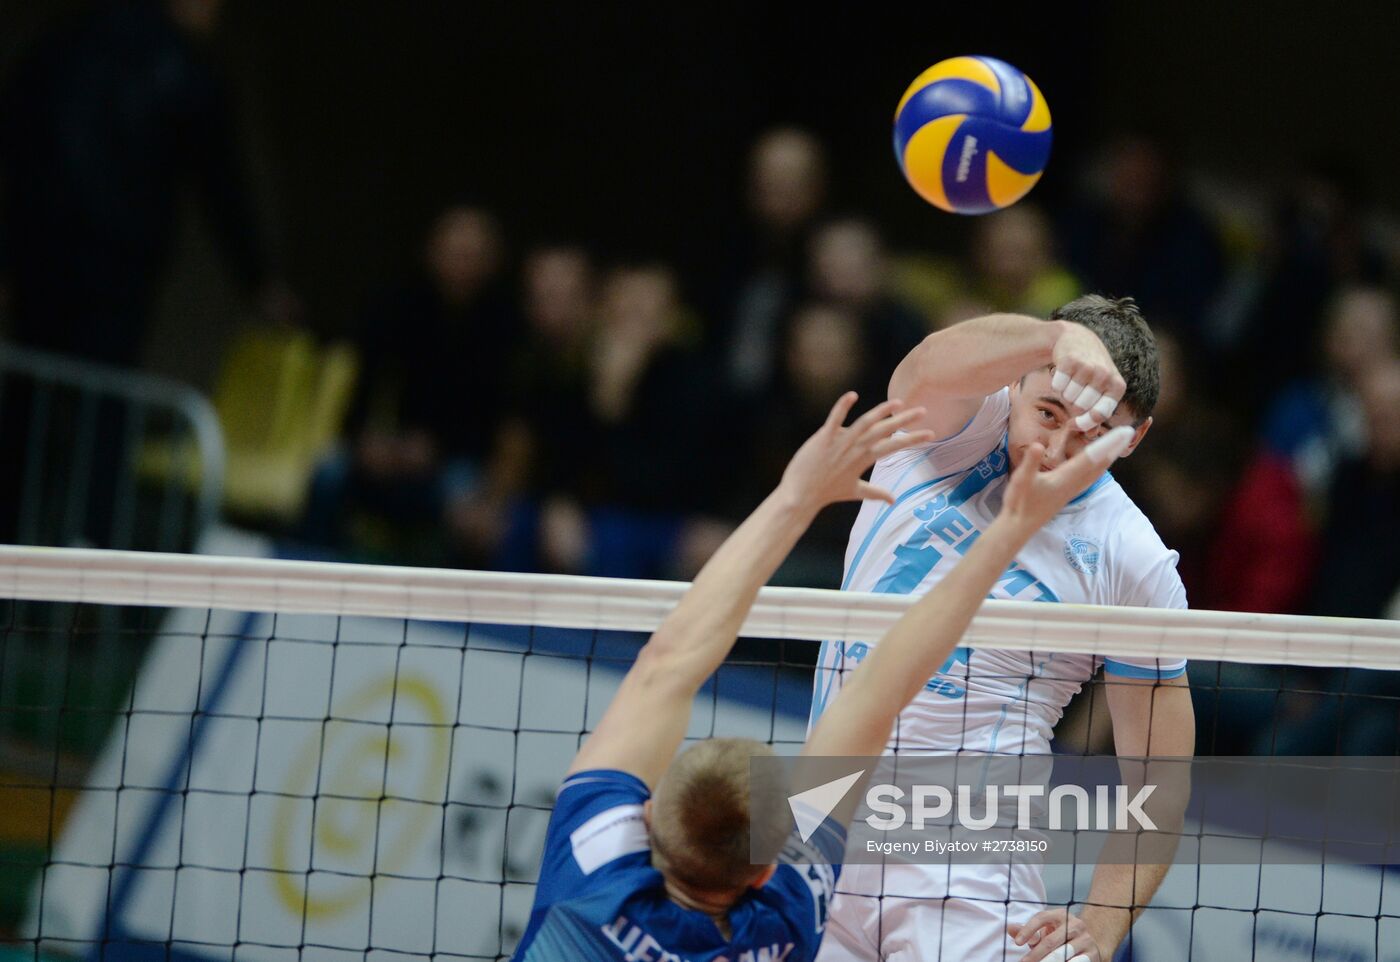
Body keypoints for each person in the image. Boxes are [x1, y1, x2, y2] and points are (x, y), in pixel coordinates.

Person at [513, 391, 1135, 960]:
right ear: (761, 875)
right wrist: (1009, 534)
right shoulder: (783, 922)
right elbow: (874, 698)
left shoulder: (591, 861)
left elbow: (666, 664)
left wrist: (794, 496)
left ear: (646, 814)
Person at [811, 296, 1195, 962]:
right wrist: (1055, 336)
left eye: (1094, 433)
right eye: (1047, 412)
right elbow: (931, 360)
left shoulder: (1134, 560)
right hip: (821, 818)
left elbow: (1160, 778)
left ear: (1133, 439)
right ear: (1016, 382)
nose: (1055, 448)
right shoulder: (945, 426)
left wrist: (1102, 926)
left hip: (968, 872)